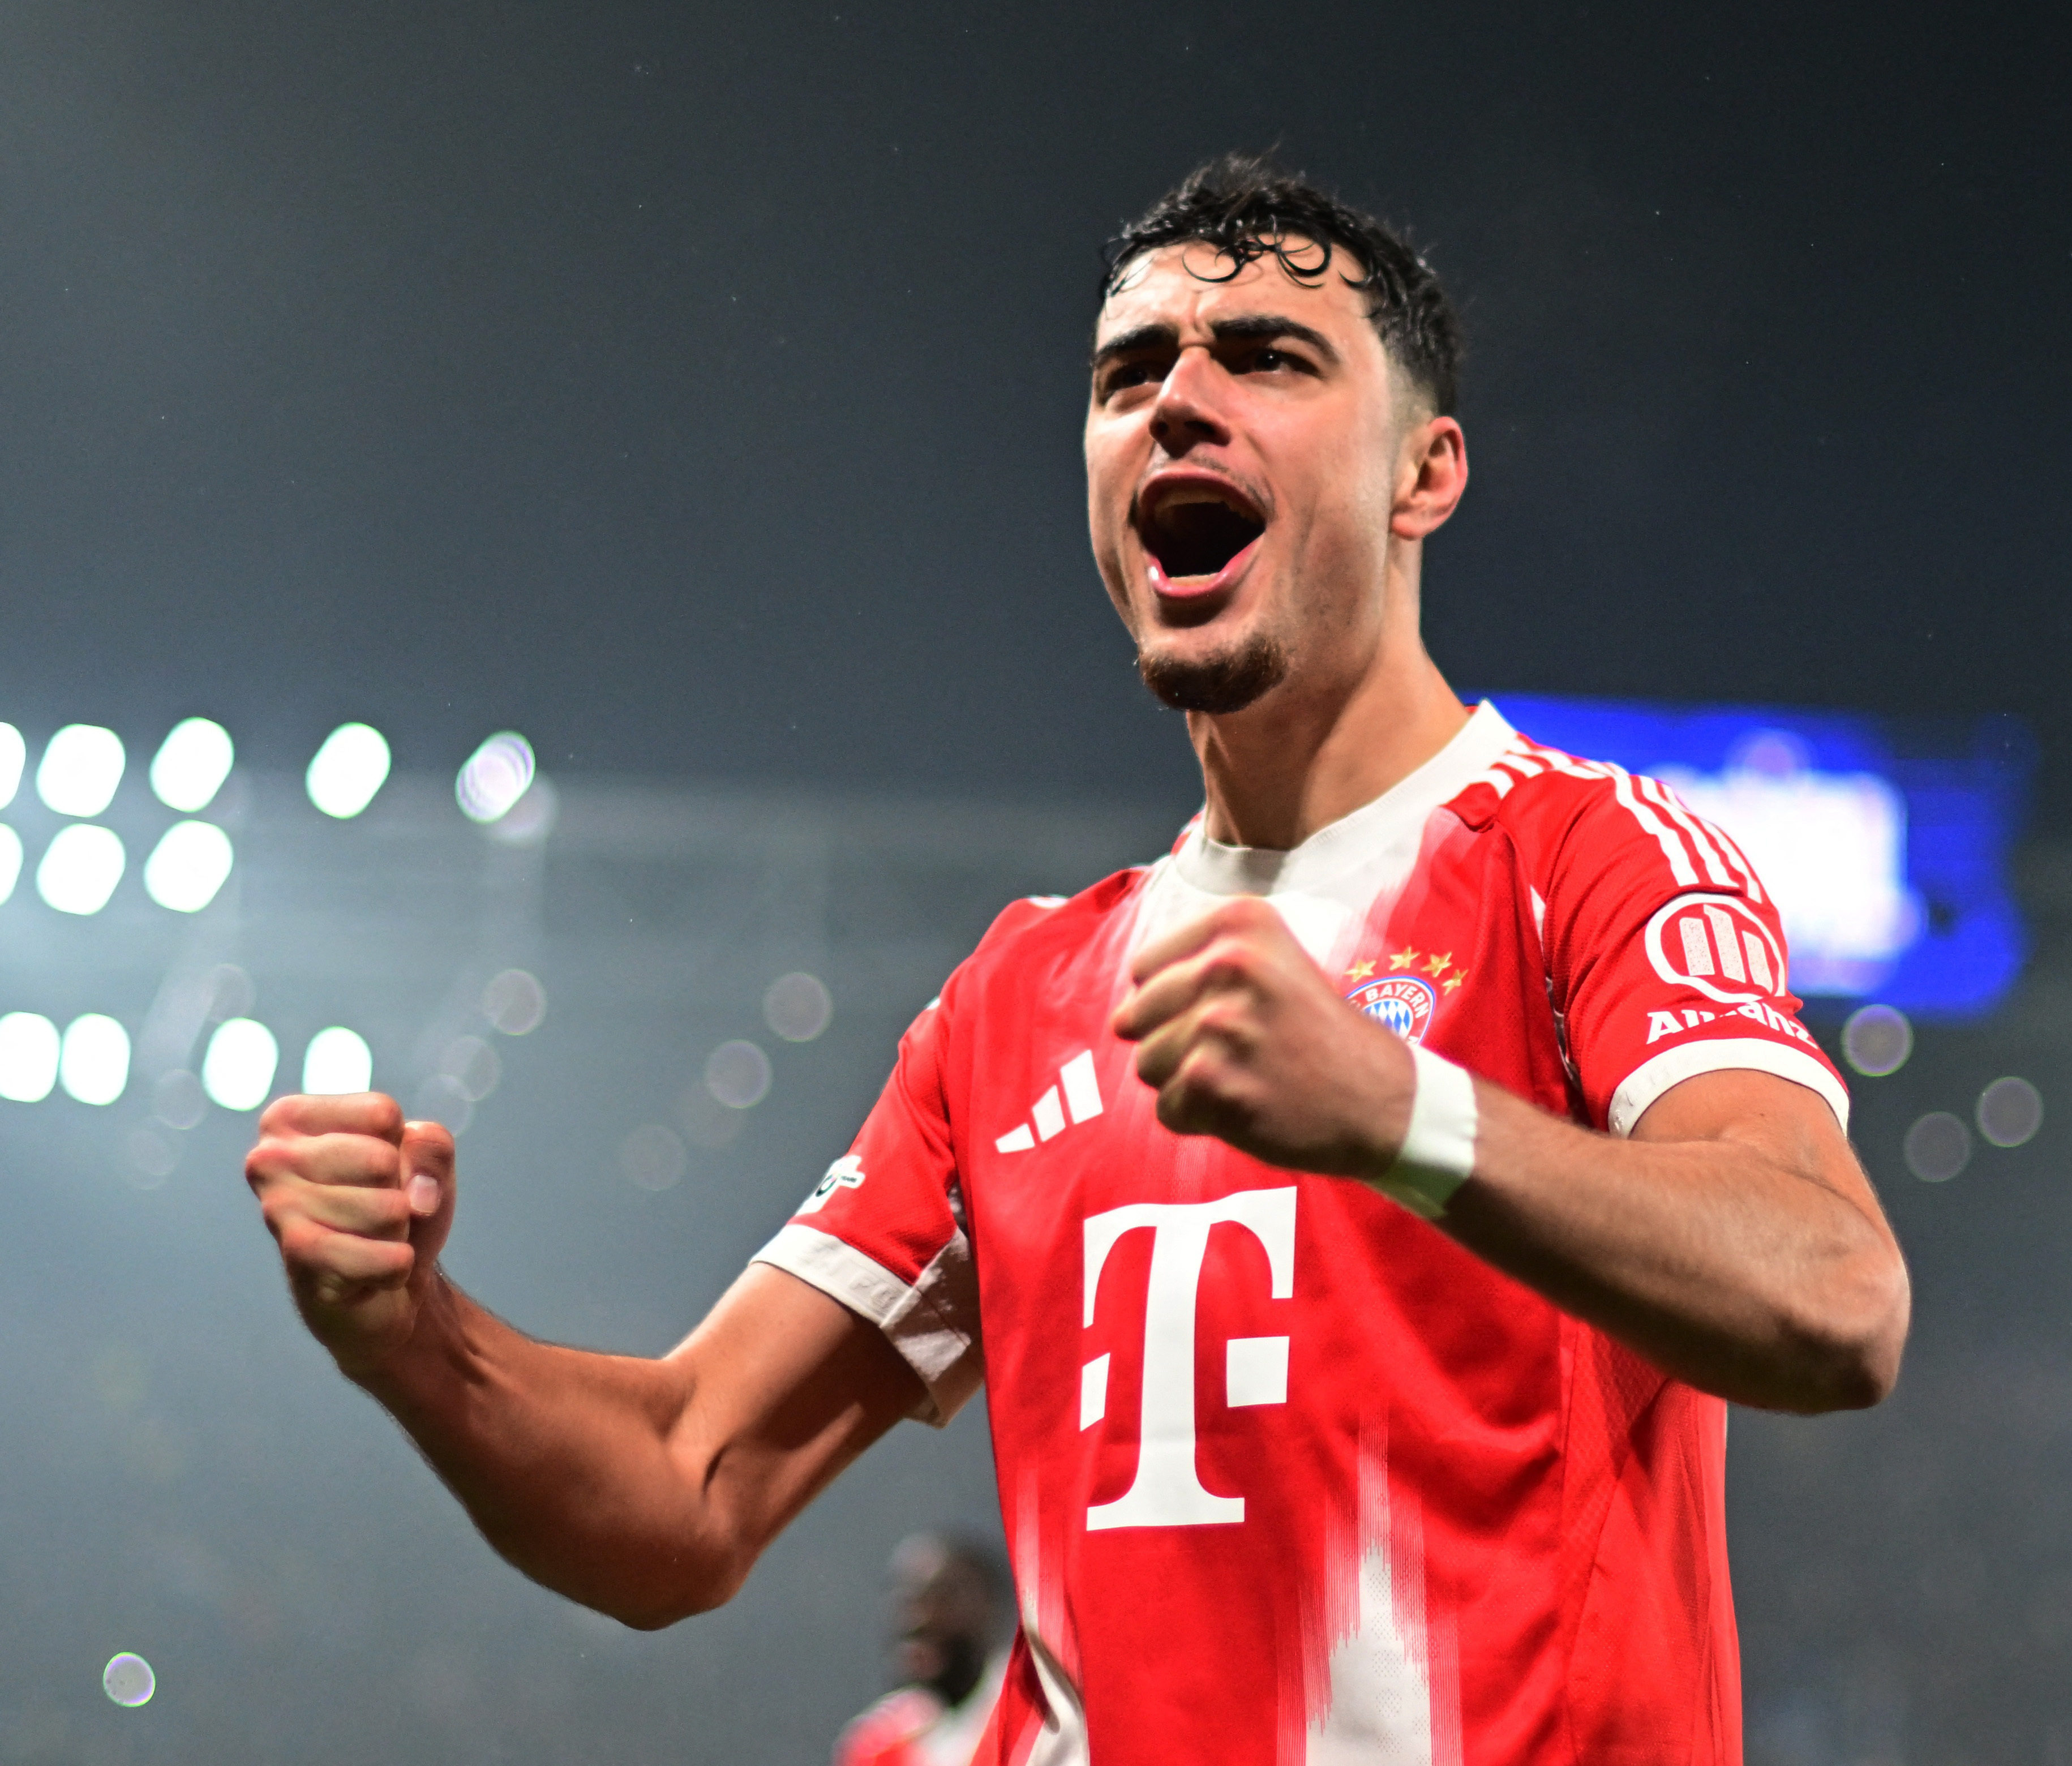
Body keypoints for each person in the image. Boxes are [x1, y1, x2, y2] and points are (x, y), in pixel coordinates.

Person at [244, 153, 1911, 1764]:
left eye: (1265, 356)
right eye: (1128, 373)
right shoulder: (1020, 995)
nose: (1178, 399)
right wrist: (413, 1339)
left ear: (1423, 471)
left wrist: (1395, 1108)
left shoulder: (1581, 858)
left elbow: (1832, 1298)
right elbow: (685, 1486)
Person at [833, 1533, 1012, 1766]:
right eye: (907, 1600)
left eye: (944, 1599)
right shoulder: (878, 1745)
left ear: (990, 1609)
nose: (918, 1619)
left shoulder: (1038, 1718)